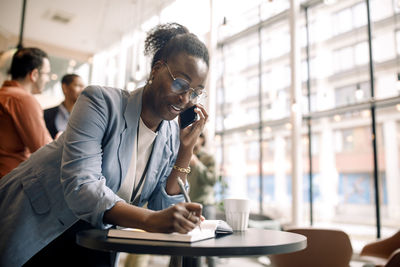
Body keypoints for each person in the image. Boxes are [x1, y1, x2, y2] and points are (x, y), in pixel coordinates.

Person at [0, 22, 209, 267]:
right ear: (156, 70)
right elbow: (82, 187)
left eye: (195, 92)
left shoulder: (170, 134)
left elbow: (162, 207)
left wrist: (186, 150)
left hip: (96, 236)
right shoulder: (100, 102)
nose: (185, 99)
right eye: (180, 84)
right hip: (40, 226)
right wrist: (151, 221)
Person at [0, 47, 52, 178]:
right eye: (47, 74)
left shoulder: (4, 95)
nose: (48, 79)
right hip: (9, 186)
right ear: (34, 74)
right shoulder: (23, 100)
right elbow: (44, 151)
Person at [44, 73, 85, 138]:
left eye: (83, 86)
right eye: (78, 85)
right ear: (64, 88)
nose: (82, 90)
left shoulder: (86, 117)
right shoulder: (45, 115)